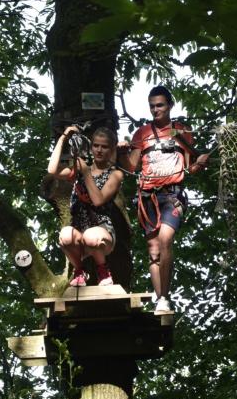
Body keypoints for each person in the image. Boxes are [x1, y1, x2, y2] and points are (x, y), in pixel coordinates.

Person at [117, 86, 209, 313]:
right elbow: (130, 166)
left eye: (160, 105)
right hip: (148, 196)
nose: (155, 110)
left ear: (169, 105)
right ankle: (160, 299)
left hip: (172, 194)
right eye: (152, 106)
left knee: (166, 239)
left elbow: (191, 167)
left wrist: (201, 163)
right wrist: (120, 151)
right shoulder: (142, 133)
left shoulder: (181, 131)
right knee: (153, 250)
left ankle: (165, 296)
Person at [47, 126, 125, 286]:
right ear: (91, 147)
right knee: (65, 236)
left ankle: (103, 269)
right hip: (79, 229)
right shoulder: (81, 169)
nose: (99, 150)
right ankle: (79, 270)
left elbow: (98, 200)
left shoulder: (115, 174)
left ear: (111, 150)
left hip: (101, 231)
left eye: (104, 147)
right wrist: (64, 138)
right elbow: (52, 170)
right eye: (96, 145)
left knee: (91, 236)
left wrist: (86, 173)